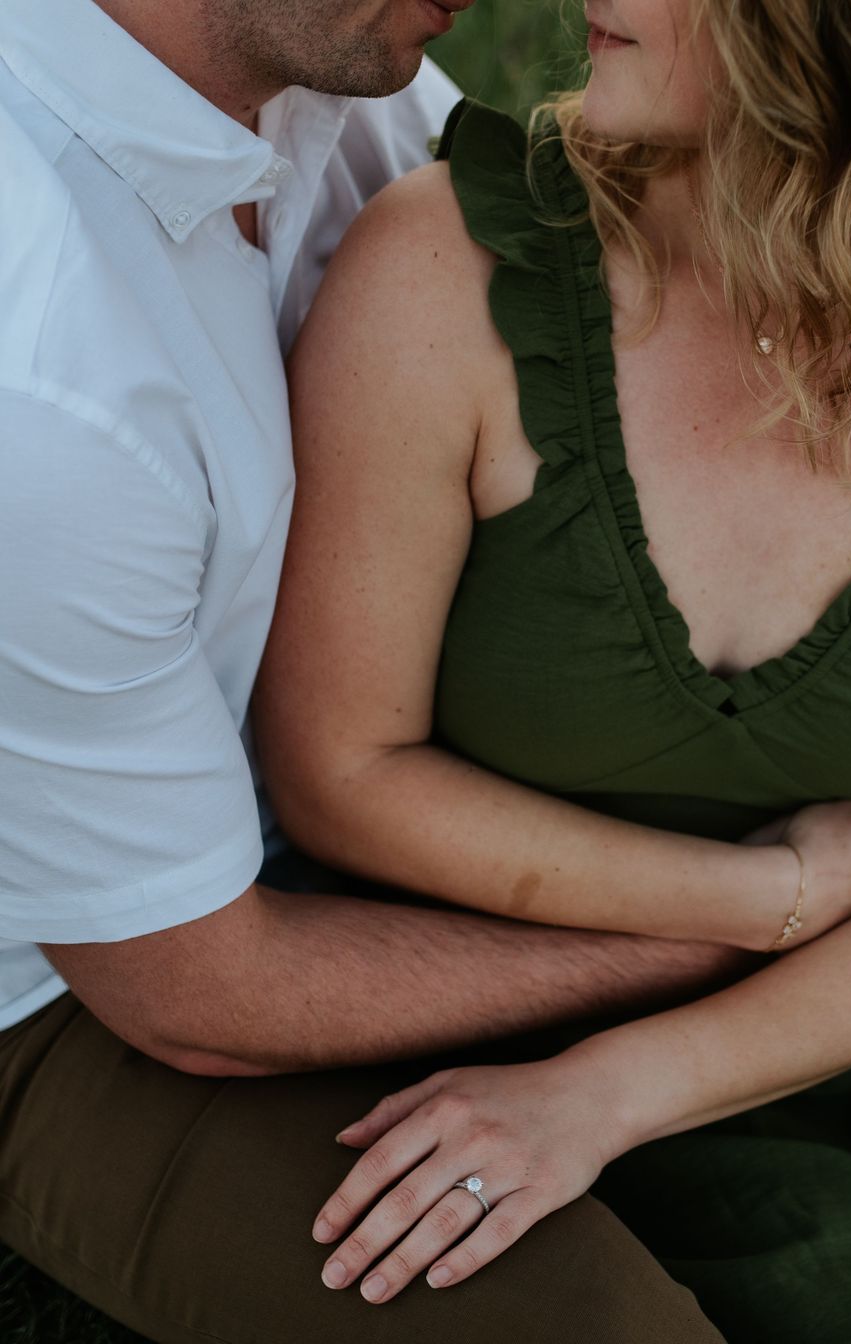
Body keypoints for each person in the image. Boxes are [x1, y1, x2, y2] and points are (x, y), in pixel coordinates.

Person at [254, 0, 851, 1339]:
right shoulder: (448, 273)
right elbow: (337, 768)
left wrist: (613, 1090)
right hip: (481, 1039)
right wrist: (759, 894)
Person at [0, 1, 744, 1341]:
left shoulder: (309, 51)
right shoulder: (45, 382)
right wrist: (709, 933)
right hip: (77, 969)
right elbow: (198, 993)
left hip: (328, 773)